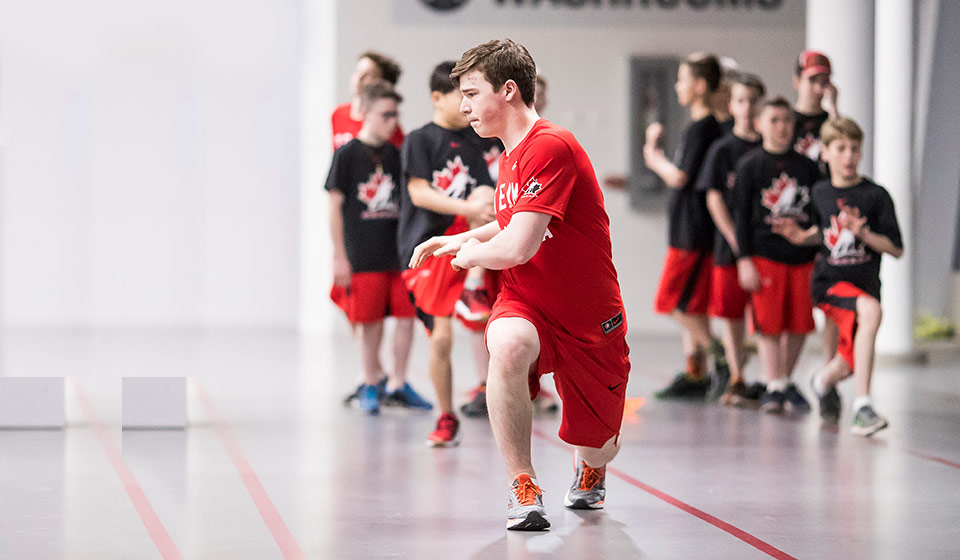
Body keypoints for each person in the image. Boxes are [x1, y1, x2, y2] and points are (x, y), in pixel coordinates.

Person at [411, 38, 630, 531]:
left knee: (599, 442)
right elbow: (511, 223)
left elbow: (518, 247)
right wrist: (463, 237)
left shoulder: (550, 146)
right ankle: (523, 486)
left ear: (508, 90)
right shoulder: (509, 155)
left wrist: (469, 256)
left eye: (471, 93)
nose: (463, 107)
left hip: (588, 315)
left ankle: (591, 466)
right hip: (527, 301)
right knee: (505, 344)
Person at [774, 117, 903, 436]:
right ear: (827, 153)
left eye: (855, 149)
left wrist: (865, 234)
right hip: (830, 284)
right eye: (841, 148)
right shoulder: (819, 192)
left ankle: (823, 380)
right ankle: (863, 406)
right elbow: (820, 232)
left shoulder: (876, 195)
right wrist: (801, 238)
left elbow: (896, 248)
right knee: (872, 311)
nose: (848, 156)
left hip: (865, 285)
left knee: (850, 361)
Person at [398, 61, 498, 446]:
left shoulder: (484, 139)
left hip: (474, 240)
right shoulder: (421, 140)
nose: (469, 103)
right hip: (432, 246)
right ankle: (446, 416)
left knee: (501, 327)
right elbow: (419, 192)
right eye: (464, 95)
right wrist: (470, 209)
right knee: (440, 339)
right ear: (438, 98)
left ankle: (497, 390)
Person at [326, 81, 432, 414]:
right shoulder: (346, 155)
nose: (392, 122)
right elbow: (333, 207)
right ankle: (371, 381)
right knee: (369, 322)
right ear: (367, 114)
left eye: (396, 115)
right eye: (386, 115)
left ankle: (398, 383)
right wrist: (340, 255)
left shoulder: (396, 154)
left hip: (397, 254)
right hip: (363, 254)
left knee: (405, 317)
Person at [644, 52, 728, 400]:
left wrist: (653, 156)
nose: (678, 86)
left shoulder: (701, 129)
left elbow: (680, 176)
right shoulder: (703, 128)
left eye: (682, 79)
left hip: (692, 232)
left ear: (699, 85)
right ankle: (697, 374)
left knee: (672, 303)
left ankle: (719, 355)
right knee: (693, 305)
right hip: (688, 228)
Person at [733, 97, 821, 414]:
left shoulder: (808, 168)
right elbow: (740, 217)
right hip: (764, 255)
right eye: (774, 120)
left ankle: (782, 381)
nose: (782, 127)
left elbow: (818, 213)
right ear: (759, 125)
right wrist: (744, 259)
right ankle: (774, 384)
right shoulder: (749, 167)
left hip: (802, 257)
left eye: (787, 120)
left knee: (798, 324)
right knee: (768, 325)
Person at [697, 73, 766, 406]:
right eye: (741, 100)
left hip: (767, 246)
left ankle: (773, 380)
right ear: (732, 105)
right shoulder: (723, 149)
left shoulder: (771, 146)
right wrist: (738, 243)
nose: (747, 107)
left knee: (768, 316)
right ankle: (737, 375)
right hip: (731, 249)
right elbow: (714, 199)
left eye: (753, 101)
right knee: (732, 315)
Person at [332, 51, 405, 151]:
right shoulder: (338, 114)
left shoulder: (388, 125)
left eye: (369, 74)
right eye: (358, 71)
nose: (359, 78)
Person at [792, 50, 839, 164]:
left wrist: (833, 106)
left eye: (824, 81)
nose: (818, 88)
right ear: (797, 81)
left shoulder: (831, 120)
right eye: (812, 80)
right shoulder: (786, 120)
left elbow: (841, 143)